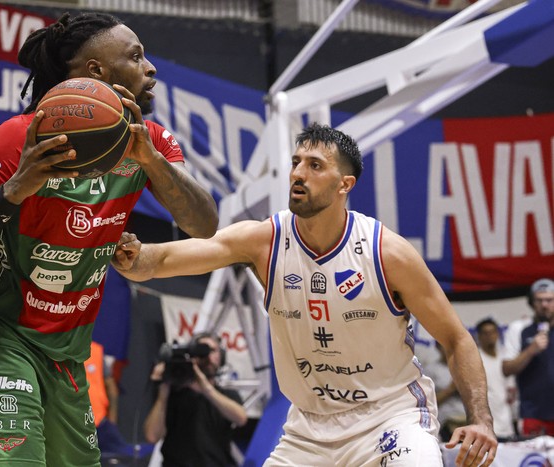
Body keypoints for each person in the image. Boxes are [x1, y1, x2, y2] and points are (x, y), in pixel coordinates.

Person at [114, 123, 498, 466]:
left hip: (390, 417)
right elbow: (162, 258)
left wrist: (481, 420)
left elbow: (456, 338)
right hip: (309, 431)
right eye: (297, 162)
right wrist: (133, 255)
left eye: (315, 165)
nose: (298, 173)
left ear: (344, 184)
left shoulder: (386, 252)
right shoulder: (265, 240)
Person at [0, 11, 217, 467]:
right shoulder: (17, 140)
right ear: (97, 73)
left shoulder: (152, 143)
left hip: (66, 346)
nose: (151, 68)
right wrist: (14, 191)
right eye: (137, 56)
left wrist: (150, 160)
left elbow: (204, 224)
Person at [143, 332, 247, 467]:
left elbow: (241, 418)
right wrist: (163, 393)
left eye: (212, 351)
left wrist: (206, 389)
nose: (207, 357)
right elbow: (152, 436)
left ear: (221, 356)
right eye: (201, 351)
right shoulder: (173, 395)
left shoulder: (227, 395)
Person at [502, 278, 554, 437]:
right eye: (539, 300)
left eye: (549, 300)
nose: (544, 305)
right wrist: (531, 350)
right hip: (532, 413)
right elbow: (506, 369)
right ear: (531, 302)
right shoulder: (519, 329)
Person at [475, 318, 516, 441]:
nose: (490, 336)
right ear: (479, 336)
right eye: (485, 333)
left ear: (498, 333)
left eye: (492, 332)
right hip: (487, 425)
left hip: (507, 423)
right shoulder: (476, 359)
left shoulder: (506, 358)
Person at [423, 342, 467, 442]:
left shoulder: (464, 368)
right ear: (438, 348)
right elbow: (427, 402)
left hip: (466, 420)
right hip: (446, 421)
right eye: (444, 346)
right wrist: (451, 389)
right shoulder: (431, 370)